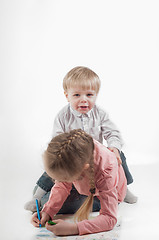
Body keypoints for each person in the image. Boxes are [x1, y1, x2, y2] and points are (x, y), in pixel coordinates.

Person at [25, 66, 137, 212]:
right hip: (73, 160)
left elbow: (113, 133)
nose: (83, 100)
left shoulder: (100, 114)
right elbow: (57, 140)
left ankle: (123, 187)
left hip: (96, 160)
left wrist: (114, 148)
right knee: (55, 163)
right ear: (67, 96)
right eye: (77, 95)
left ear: (96, 95)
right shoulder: (63, 116)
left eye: (89, 95)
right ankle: (38, 195)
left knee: (119, 155)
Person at [31, 129, 127, 236]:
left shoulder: (104, 173)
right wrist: (47, 212)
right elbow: (62, 185)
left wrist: (74, 228)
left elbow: (110, 218)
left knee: (45, 200)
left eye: (64, 179)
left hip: (103, 192)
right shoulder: (78, 150)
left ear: (83, 169)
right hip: (88, 181)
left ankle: (123, 188)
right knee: (47, 201)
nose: (57, 182)